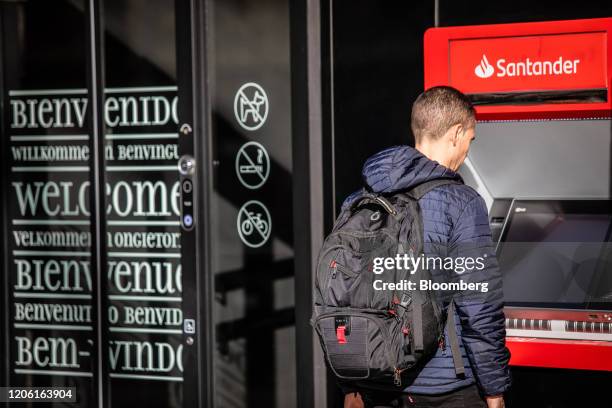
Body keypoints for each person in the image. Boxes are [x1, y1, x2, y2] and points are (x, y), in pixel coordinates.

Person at [342, 86, 510, 408]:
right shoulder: (462, 202)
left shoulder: (359, 199)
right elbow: (479, 306)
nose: (466, 152)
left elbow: (344, 294)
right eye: (470, 140)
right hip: (446, 387)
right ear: (457, 133)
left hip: (375, 380)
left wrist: (350, 384)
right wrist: (495, 390)